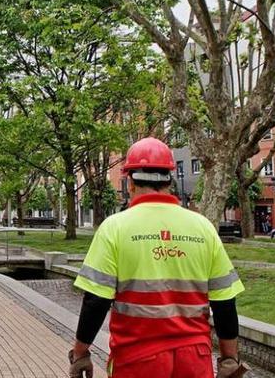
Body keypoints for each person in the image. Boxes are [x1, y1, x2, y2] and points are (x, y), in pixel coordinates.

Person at [68, 137, 247, 378]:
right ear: (170, 181)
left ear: (129, 182)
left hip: (137, 359)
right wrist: (229, 360)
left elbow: (95, 301)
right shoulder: (202, 228)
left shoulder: (115, 228)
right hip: (195, 359)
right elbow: (225, 303)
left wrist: (81, 353)